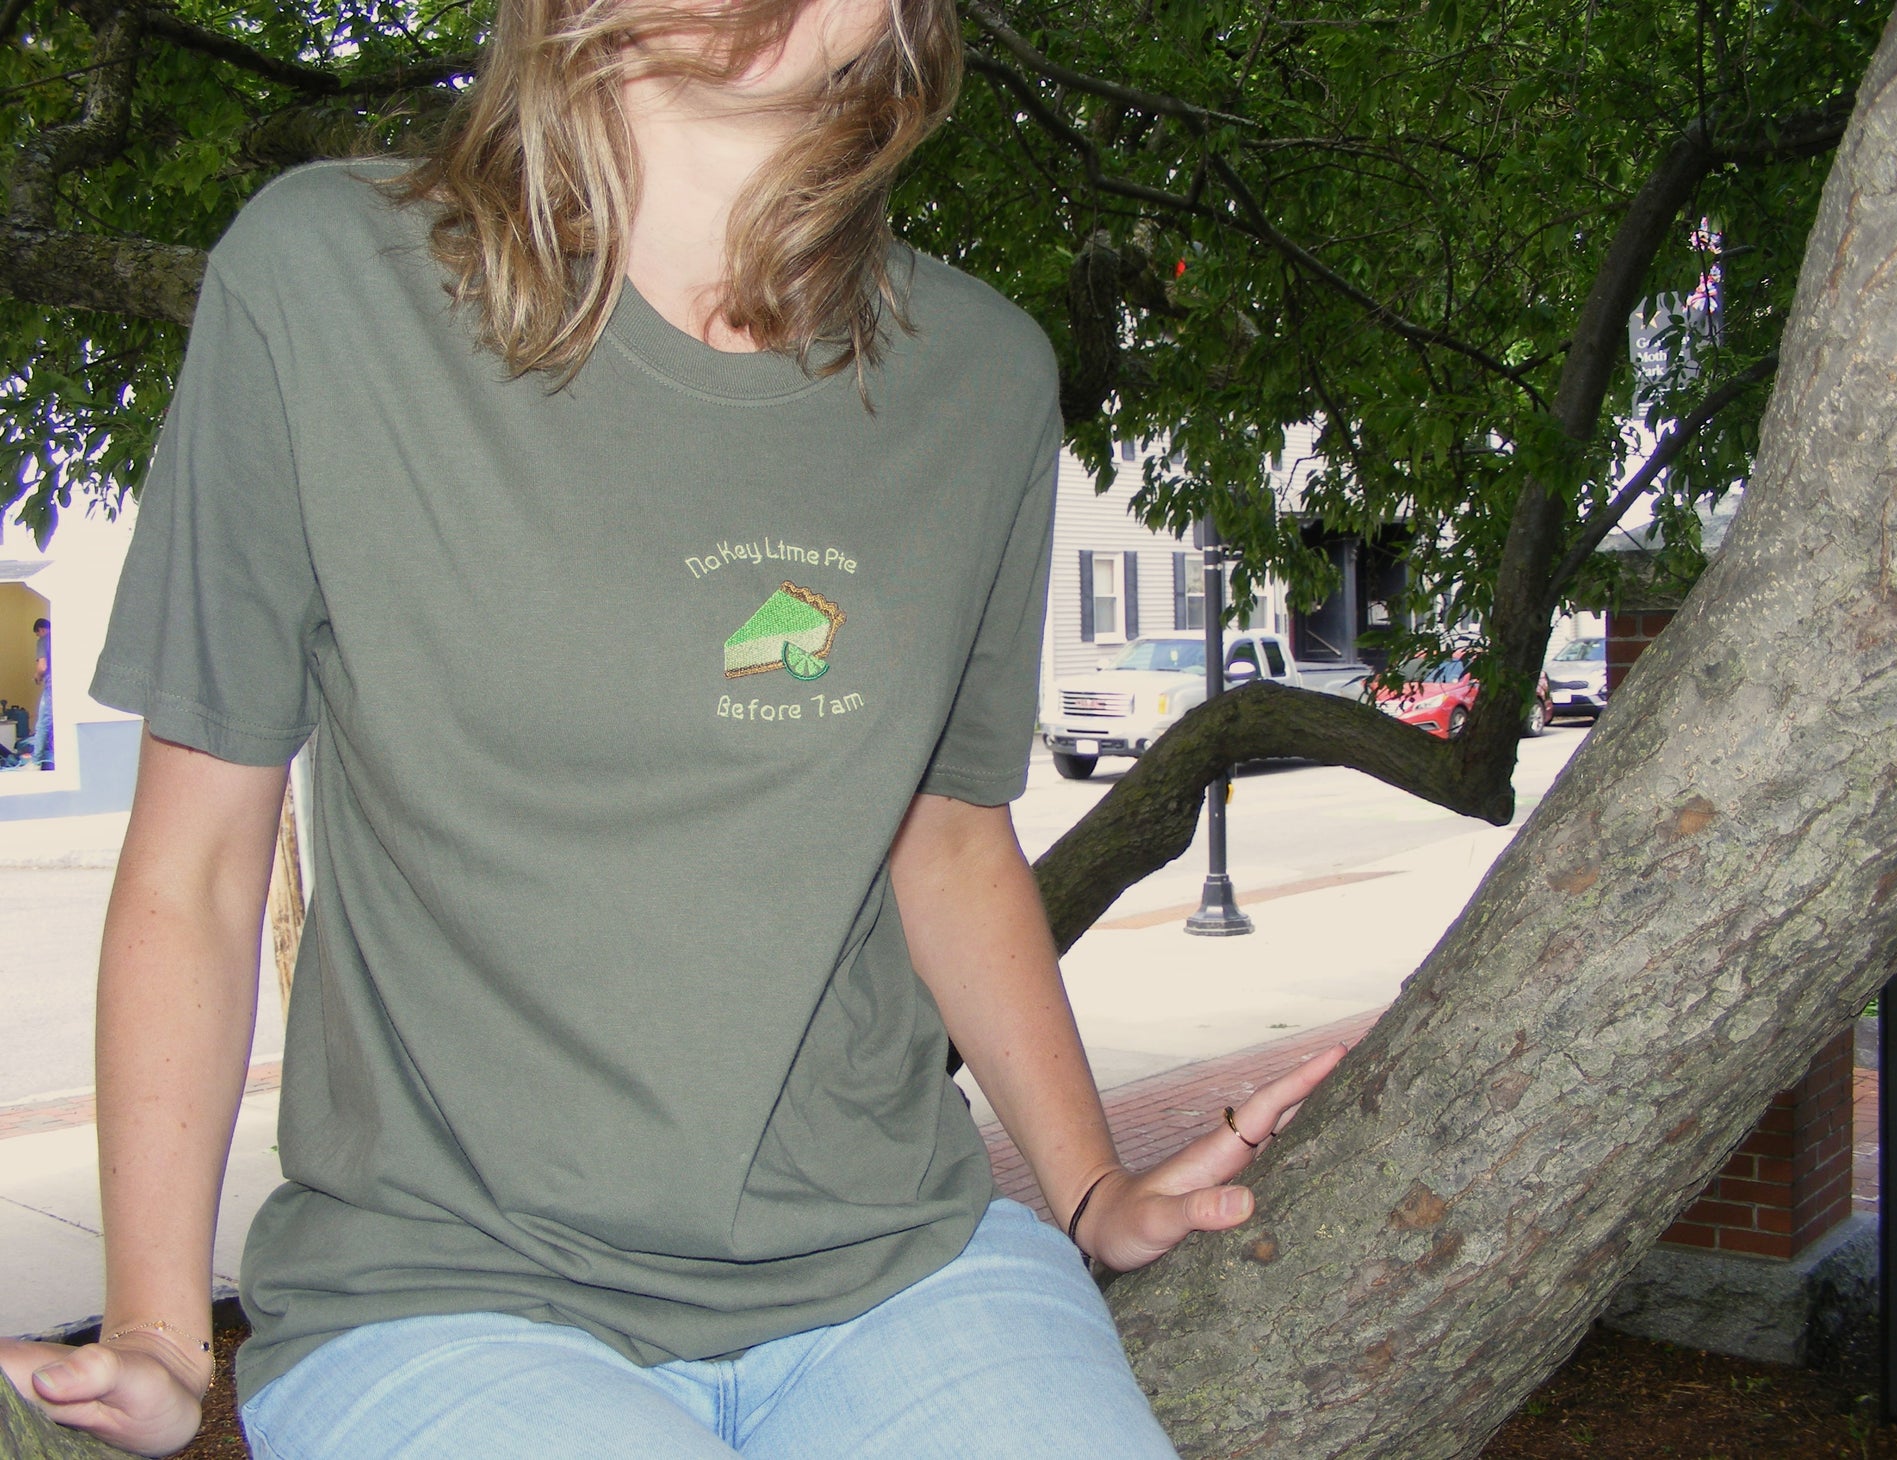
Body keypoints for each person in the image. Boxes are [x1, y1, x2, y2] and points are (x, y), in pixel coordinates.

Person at [0, 1, 1343, 1455]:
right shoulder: (324, 280)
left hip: (899, 1271)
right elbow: (197, 864)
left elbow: (947, 839)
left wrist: (1092, 1190)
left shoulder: (985, 376)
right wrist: (152, 1323)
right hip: (446, 1297)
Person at [25, 616, 51, 769]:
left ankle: (36, 762)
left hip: (52, 687)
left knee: (42, 723)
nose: (38, 636)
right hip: (67, 687)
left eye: (37, 633)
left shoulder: (43, 640)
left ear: (41, 629)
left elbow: (42, 666)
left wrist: (37, 677)